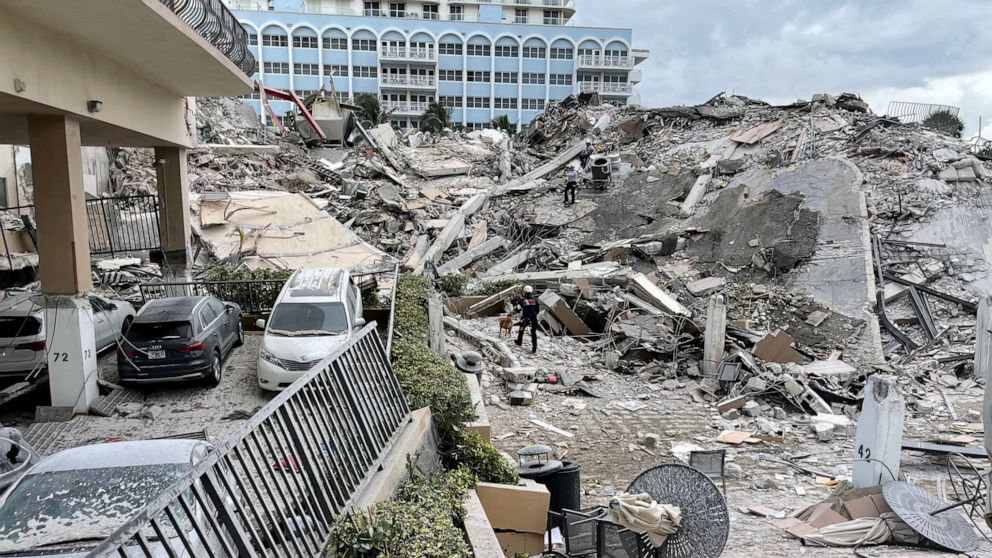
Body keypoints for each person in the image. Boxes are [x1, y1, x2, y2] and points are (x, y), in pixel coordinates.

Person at [514, 285, 540, 353]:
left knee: (521, 329)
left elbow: (518, 309)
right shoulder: (535, 300)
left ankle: (519, 342)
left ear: (524, 293)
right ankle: (534, 348)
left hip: (525, 319)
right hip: (534, 319)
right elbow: (537, 310)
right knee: (533, 333)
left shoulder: (522, 301)